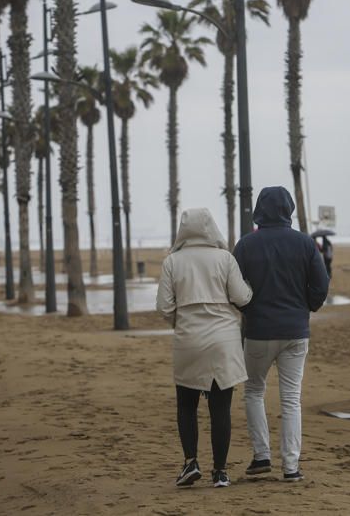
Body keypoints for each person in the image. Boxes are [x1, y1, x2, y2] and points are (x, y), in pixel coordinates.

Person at [233, 186, 329, 482]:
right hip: (295, 331)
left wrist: (248, 307)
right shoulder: (304, 243)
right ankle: (291, 467)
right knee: (291, 398)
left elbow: (234, 287)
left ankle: (262, 456)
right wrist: (308, 306)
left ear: (260, 210)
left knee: (253, 391)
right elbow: (321, 284)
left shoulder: (246, 245)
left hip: (259, 331)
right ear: (289, 210)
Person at [156, 208, 252, 488]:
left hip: (189, 339)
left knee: (186, 404)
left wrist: (180, 316)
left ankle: (190, 463)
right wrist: (249, 290)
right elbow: (241, 297)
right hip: (223, 339)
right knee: (220, 408)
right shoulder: (225, 258)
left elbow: (163, 306)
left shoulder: (172, 261)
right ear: (211, 228)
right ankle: (220, 471)